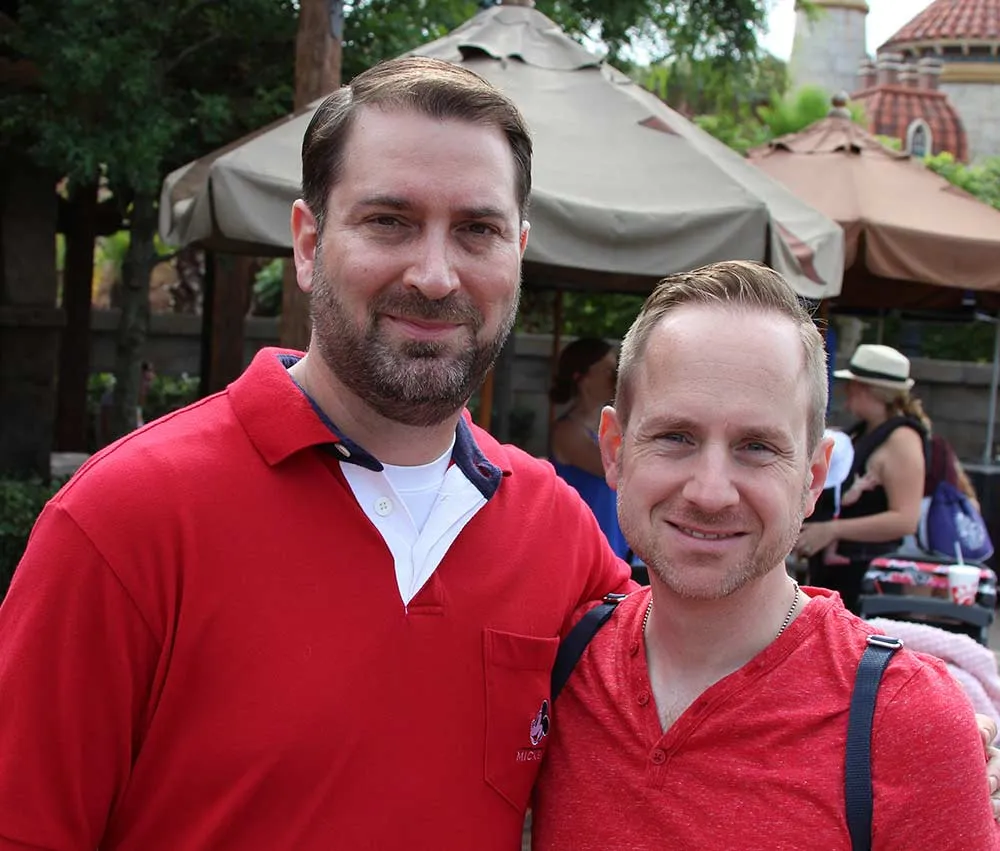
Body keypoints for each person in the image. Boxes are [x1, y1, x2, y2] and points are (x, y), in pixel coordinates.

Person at [0, 57, 632, 850]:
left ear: (518, 253)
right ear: (307, 243)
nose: (435, 275)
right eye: (389, 221)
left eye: (478, 230)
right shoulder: (124, 517)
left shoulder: (558, 532)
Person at [531, 261, 1000, 850]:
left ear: (813, 477)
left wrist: (936, 745)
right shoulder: (563, 663)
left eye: (756, 446)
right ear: (615, 450)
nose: (709, 492)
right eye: (676, 436)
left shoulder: (904, 721)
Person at [795, 344, 928, 612]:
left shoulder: (902, 439)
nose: (846, 393)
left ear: (867, 389)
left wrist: (832, 530)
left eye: (852, 386)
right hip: (839, 575)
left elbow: (905, 519)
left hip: (869, 579)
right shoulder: (862, 433)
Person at [549, 338, 629, 558]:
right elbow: (619, 468)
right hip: (586, 552)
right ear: (581, 378)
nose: (615, 377)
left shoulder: (616, 427)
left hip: (617, 549)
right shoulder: (568, 431)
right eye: (607, 370)